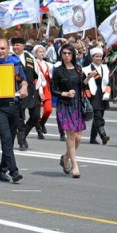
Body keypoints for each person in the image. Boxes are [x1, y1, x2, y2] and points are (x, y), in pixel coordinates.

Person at [0, 39, 27, 183]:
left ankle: (1, 170)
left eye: (3, 48)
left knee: (10, 141)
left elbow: (23, 80)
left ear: (7, 49)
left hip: (15, 106)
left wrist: (24, 88)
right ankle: (14, 171)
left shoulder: (15, 63)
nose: (0, 51)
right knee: (5, 138)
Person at [51, 43, 86, 178]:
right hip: (65, 105)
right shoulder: (58, 70)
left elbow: (81, 85)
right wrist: (65, 93)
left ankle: (65, 157)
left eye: (69, 53)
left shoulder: (78, 69)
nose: (66, 56)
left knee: (78, 137)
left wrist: (87, 78)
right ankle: (75, 165)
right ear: (61, 55)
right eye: (64, 53)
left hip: (77, 104)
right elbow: (53, 89)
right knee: (71, 135)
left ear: (73, 55)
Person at [11, 37, 40, 151]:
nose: (15, 47)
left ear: (23, 46)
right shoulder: (10, 58)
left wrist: (40, 90)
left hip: (32, 88)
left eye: (18, 45)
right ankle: (22, 142)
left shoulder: (30, 57)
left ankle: (22, 134)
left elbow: (37, 73)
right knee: (20, 117)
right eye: (14, 45)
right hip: (17, 90)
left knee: (36, 115)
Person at [83, 47, 111, 145]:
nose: (99, 58)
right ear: (92, 57)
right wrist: (88, 96)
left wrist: (107, 92)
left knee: (99, 115)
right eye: (96, 56)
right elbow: (84, 84)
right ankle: (103, 135)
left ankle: (92, 138)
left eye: (100, 56)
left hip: (103, 94)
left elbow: (108, 83)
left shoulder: (105, 68)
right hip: (93, 95)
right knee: (98, 116)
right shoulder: (86, 69)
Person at [33, 44, 53, 138]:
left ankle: (42, 123)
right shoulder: (34, 63)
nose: (42, 53)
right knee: (36, 112)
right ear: (35, 53)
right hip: (37, 87)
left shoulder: (46, 64)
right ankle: (39, 131)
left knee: (48, 109)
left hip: (46, 88)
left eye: (43, 52)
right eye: (39, 52)